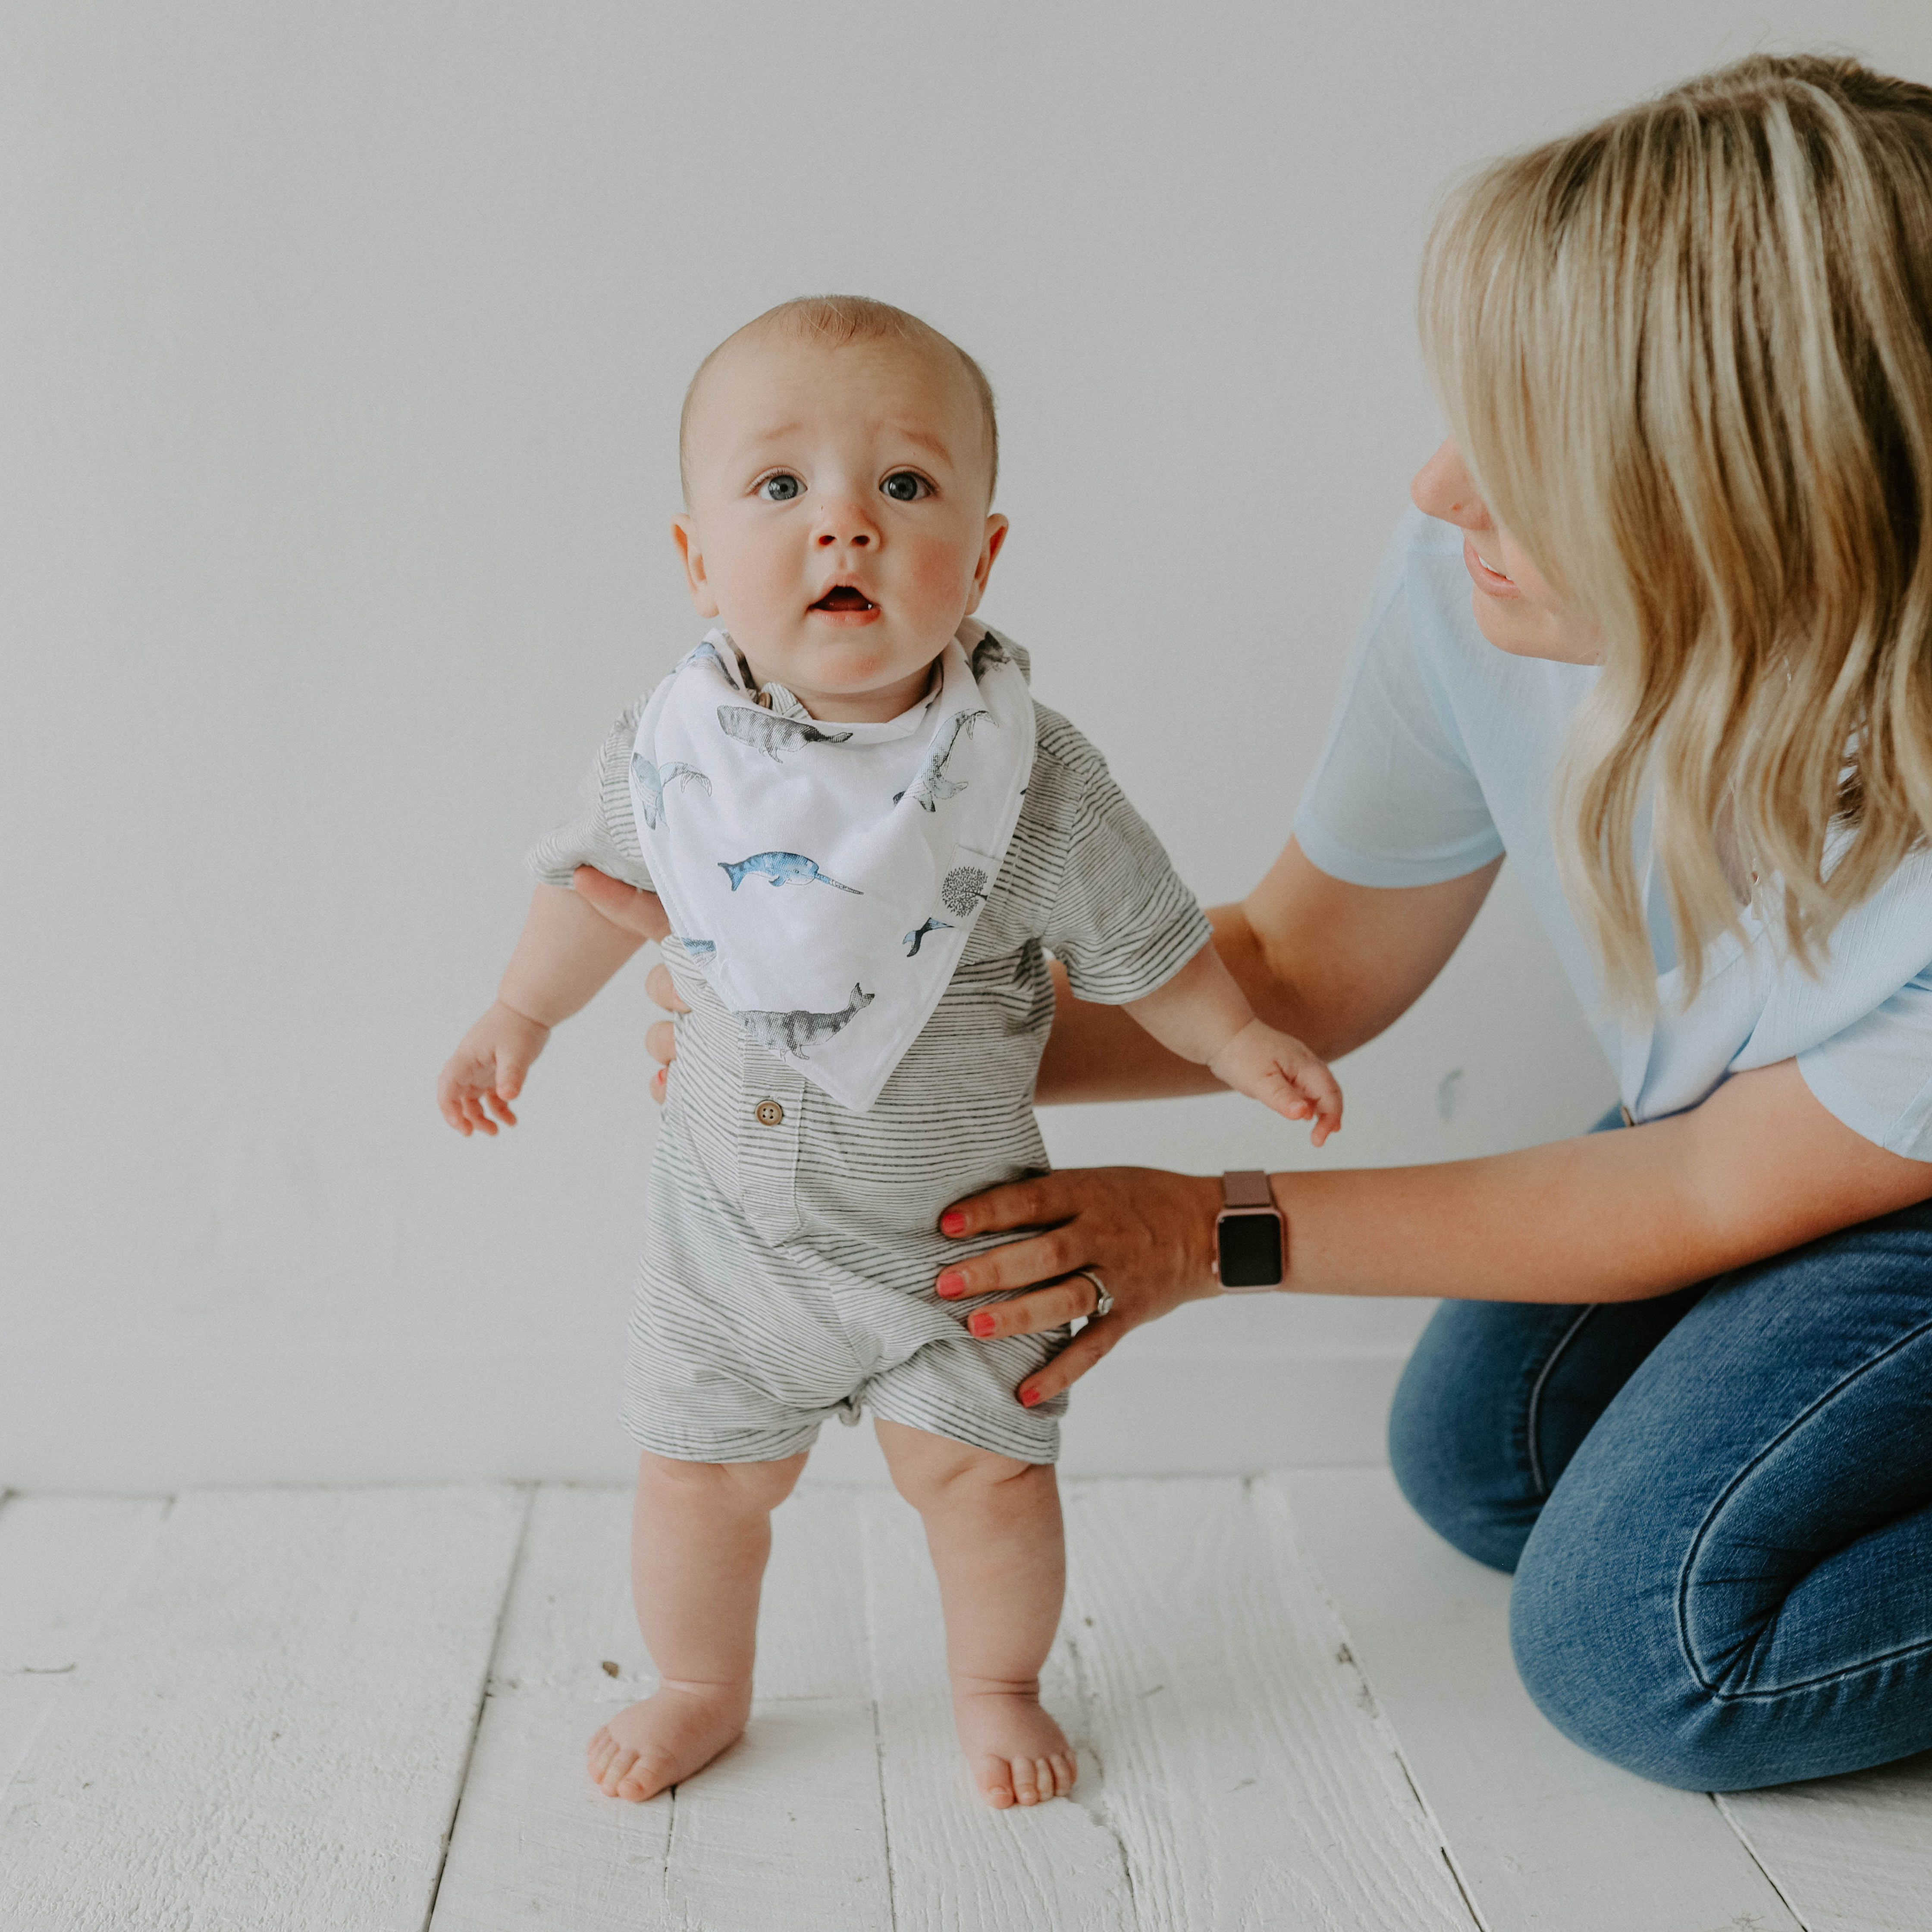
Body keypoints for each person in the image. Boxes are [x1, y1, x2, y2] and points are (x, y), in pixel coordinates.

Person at [611, 55, 1932, 1794]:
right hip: (1792, 1126)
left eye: (1532, 450)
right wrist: (861, 1020)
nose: (1445, 487)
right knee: (1484, 1466)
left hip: (1840, 1161)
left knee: (1647, 1645)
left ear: (1755, 501)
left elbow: (1696, 1190)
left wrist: (1199, 1230)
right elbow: (1304, 965)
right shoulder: (1478, 586)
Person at [436, 296, 1342, 1810]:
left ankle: (996, 1684)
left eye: (904, 488)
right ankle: (702, 1682)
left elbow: (1149, 933)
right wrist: (520, 1014)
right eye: (780, 488)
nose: (843, 527)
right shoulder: (672, 752)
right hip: (732, 1243)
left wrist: (1239, 1040)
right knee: (700, 1481)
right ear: (696, 558)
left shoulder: (1026, 773)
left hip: (960, 1241)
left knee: (987, 1481)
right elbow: (597, 897)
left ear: (983, 556)